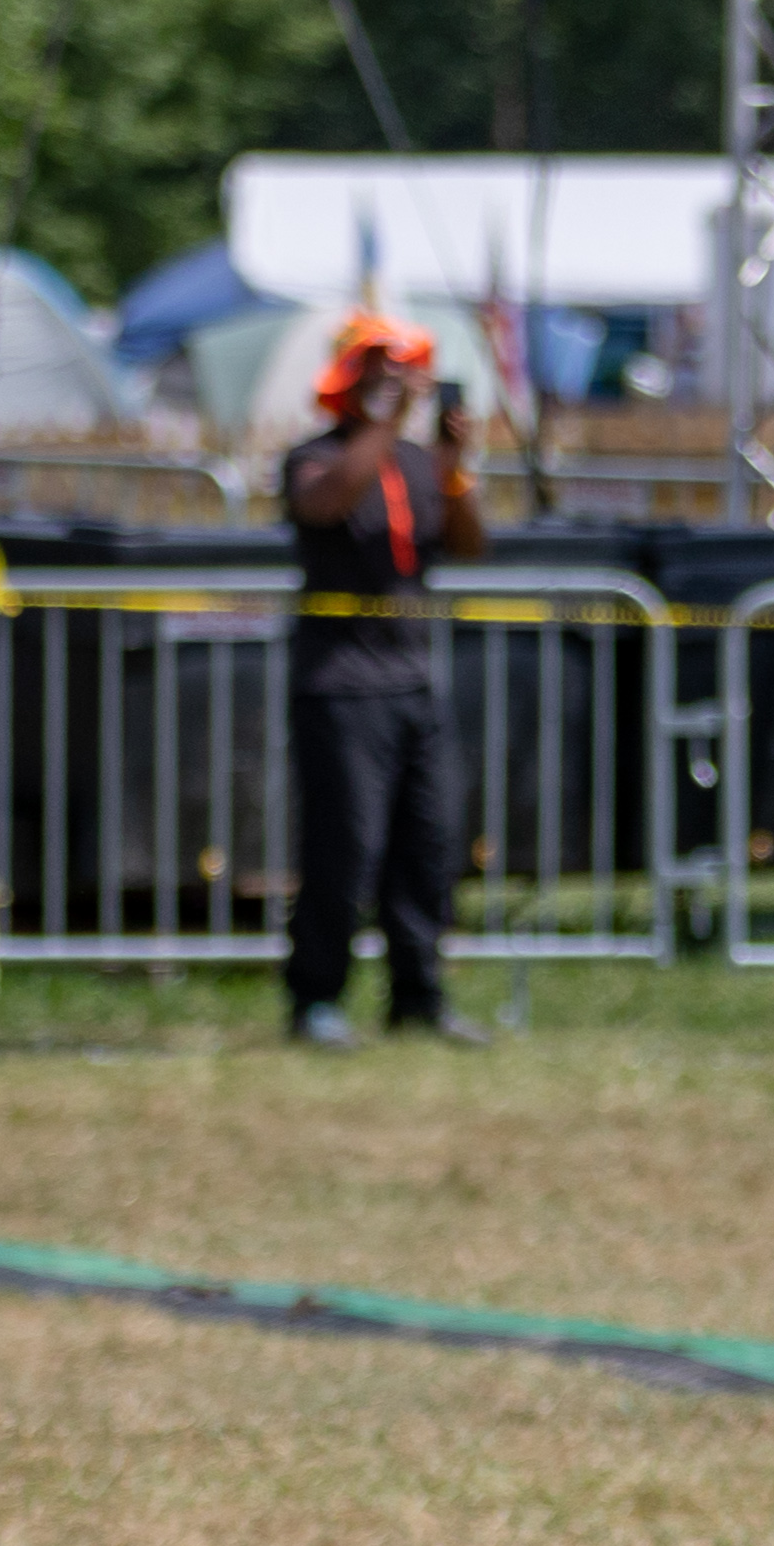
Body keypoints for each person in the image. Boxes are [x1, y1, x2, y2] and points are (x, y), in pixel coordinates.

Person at [277, 309, 489, 1050]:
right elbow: (327, 501)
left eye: (402, 370)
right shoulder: (316, 454)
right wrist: (380, 425)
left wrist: (455, 465)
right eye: (377, 369)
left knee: (426, 850)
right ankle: (316, 1001)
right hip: (338, 685)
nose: (393, 383)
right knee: (344, 850)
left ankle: (419, 997)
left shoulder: (418, 463)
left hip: (411, 680)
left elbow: (468, 545)